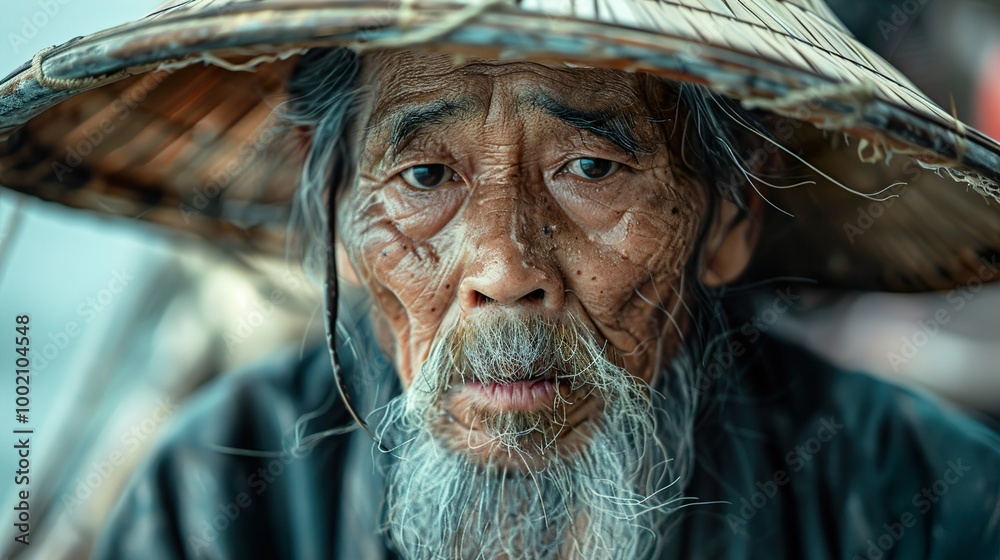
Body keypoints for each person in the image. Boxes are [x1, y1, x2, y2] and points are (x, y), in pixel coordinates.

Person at [1, 1, 999, 558]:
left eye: (591, 168)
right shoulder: (220, 497)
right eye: (425, 176)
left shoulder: (927, 498)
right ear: (341, 214)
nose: (502, 271)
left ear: (729, 213)